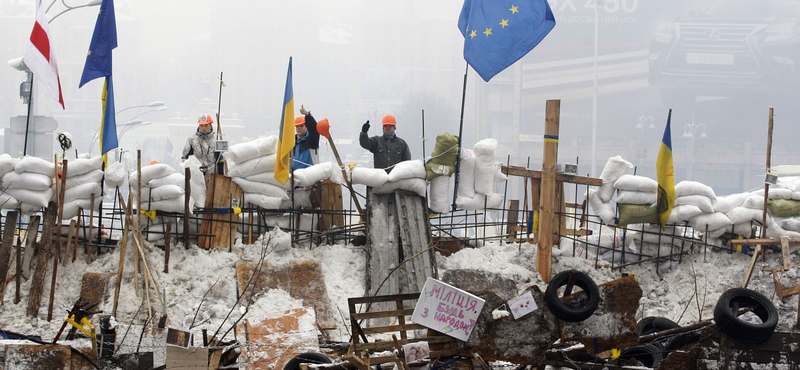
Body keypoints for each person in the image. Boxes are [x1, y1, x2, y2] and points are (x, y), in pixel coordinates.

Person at [293, 105, 320, 171]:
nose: (298, 128)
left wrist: (307, 115)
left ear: (307, 126)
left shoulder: (312, 140)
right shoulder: (292, 142)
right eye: (297, 126)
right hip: (295, 177)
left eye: (301, 126)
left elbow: (314, 129)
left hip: (311, 177)